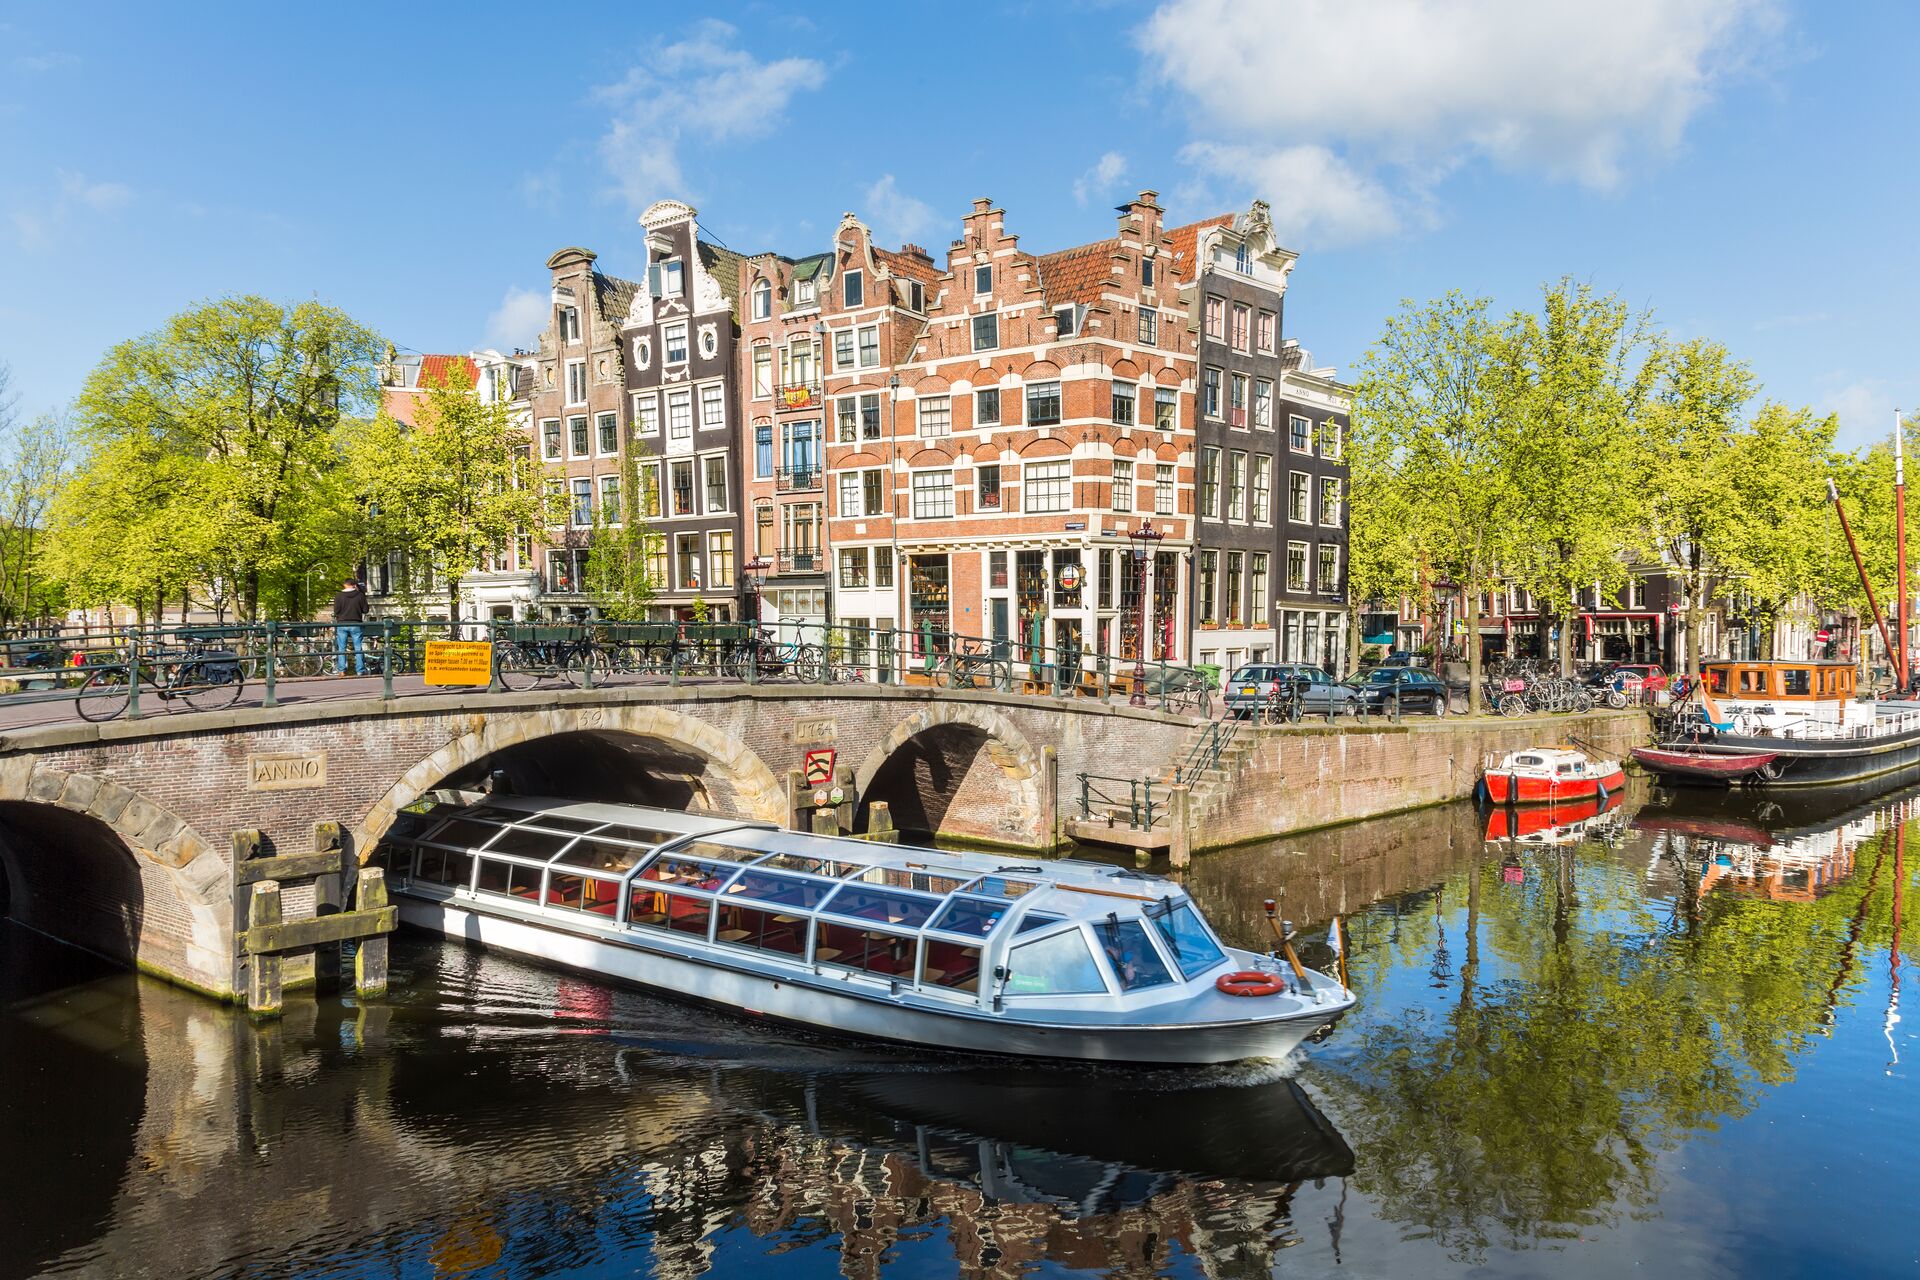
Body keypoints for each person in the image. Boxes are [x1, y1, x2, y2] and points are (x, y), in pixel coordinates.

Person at [332, 577, 369, 675]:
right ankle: (360, 670)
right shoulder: (360, 595)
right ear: (354, 585)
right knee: (358, 647)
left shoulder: (339, 596)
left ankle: (342, 670)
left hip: (342, 624)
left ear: (345, 585)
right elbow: (365, 610)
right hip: (356, 623)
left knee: (341, 648)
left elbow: (336, 611)